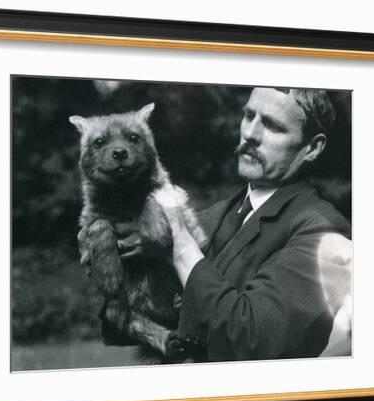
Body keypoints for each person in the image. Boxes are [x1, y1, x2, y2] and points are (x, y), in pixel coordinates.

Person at [118, 87, 352, 361]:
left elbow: (249, 339)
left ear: (312, 148)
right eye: (248, 116)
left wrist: (180, 245)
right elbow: (119, 320)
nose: (250, 134)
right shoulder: (215, 214)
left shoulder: (323, 229)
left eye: (273, 126)